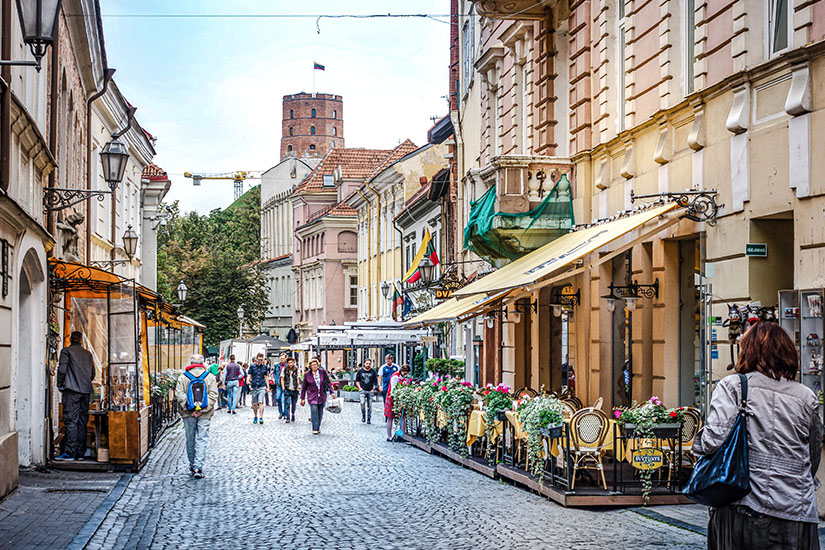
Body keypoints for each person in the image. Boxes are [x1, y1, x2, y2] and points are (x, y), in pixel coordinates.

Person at [695, 322, 822, 549]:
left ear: (748, 352)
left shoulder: (732, 387)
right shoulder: (806, 396)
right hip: (795, 509)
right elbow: (813, 454)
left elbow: (713, 440)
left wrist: (696, 444)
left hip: (744, 505)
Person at [175, 354, 218, 478]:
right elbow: (213, 395)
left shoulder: (183, 377)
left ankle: (192, 465)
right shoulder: (209, 377)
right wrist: (202, 410)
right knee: (202, 439)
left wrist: (189, 407)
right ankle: (198, 467)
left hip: (188, 414)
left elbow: (179, 394)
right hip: (205, 414)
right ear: (203, 363)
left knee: (190, 439)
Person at [56, 331, 95, 460]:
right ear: (81, 340)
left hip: (72, 391)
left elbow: (62, 369)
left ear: (70, 339)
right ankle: (80, 453)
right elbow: (92, 374)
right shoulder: (88, 354)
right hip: (86, 391)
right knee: (82, 422)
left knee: (71, 421)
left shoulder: (66, 351)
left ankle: (70, 453)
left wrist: (60, 384)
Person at [300, 358, 335, 434]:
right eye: (313, 365)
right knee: (314, 410)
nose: (314, 366)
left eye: (315, 365)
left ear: (318, 365)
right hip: (312, 396)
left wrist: (332, 392)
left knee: (320, 412)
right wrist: (302, 398)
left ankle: (318, 426)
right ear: (310, 366)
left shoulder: (322, 372)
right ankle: (315, 428)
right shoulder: (307, 374)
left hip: (322, 395)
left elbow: (328, 382)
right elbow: (304, 387)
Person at [384, 364, 410, 442]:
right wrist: (397, 400)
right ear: (401, 371)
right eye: (404, 373)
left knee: (403, 417)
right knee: (390, 417)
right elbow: (393, 390)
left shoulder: (406, 378)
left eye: (407, 373)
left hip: (401, 398)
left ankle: (401, 435)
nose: (405, 375)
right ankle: (389, 437)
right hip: (392, 398)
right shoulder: (395, 377)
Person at [247, 354, 270, 424]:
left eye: (261, 360)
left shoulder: (265, 367)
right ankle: (255, 416)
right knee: (254, 404)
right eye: (259, 360)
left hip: (262, 386)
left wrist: (268, 386)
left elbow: (266, 377)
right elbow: (249, 374)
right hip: (254, 386)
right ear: (256, 359)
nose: (260, 361)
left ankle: (261, 417)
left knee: (260, 402)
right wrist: (247, 380)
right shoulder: (252, 366)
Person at [354, 359, 378, 424]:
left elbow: (375, 381)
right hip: (363, 390)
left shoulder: (373, 371)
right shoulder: (360, 371)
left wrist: (374, 388)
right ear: (364, 364)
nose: (368, 365)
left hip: (370, 390)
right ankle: (363, 416)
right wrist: (359, 388)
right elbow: (357, 381)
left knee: (370, 405)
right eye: (367, 363)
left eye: (369, 364)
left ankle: (369, 418)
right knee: (362, 403)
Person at [281, 356, 300, 423]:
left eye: (291, 363)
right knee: (287, 403)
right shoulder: (285, 369)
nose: (290, 364)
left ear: (293, 363)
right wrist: (283, 387)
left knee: (294, 403)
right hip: (287, 388)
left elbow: (298, 378)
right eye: (289, 363)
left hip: (294, 389)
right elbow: (282, 378)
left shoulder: (296, 369)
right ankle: (288, 417)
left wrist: (297, 387)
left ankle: (293, 414)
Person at [272, 353, 287, 419]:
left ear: (285, 358)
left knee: (285, 399)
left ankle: (285, 413)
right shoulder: (277, 366)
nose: (282, 360)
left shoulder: (288, 366)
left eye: (283, 358)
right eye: (281, 358)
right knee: (278, 398)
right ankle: (281, 412)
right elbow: (274, 373)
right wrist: (276, 379)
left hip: (286, 384)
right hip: (279, 384)